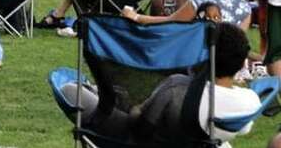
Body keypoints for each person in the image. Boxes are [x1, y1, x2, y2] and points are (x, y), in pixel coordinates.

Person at [61, 23, 260, 146]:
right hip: (203, 141)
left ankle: (96, 91)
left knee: (69, 90)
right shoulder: (249, 102)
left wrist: (136, 108)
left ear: (204, 56)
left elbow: (141, 129)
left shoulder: (177, 88)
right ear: (241, 62)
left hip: (137, 140)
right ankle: (100, 92)